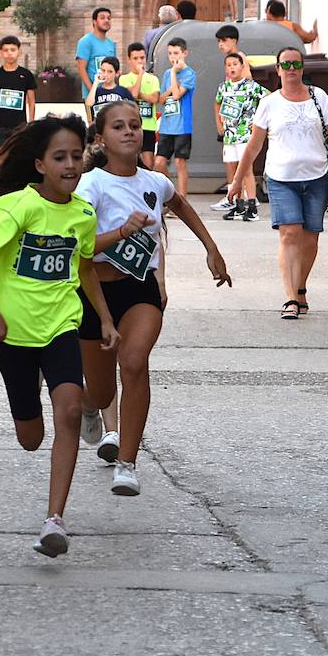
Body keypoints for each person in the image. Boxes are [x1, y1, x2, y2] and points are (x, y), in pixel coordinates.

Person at [0, 115, 119, 557]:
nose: (71, 164)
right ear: (39, 165)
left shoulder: (83, 213)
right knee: (30, 437)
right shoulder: (16, 207)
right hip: (10, 333)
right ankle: (67, 401)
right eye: (60, 157)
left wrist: (105, 319)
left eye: (76, 156)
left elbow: (85, 267)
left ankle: (55, 520)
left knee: (66, 413)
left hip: (60, 326)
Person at [77, 99, 231, 494]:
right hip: (95, 292)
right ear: (101, 138)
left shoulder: (155, 181)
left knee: (133, 362)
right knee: (100, 389)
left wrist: (210, 248)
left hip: (139, 289)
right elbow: (80, 247)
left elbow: (181, 204)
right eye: (118, 127)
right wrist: (121, 233)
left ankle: (126, 463)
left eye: (134, 125)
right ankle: (90, 406)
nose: (129, 131)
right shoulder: (90, 184)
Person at [228, 48, 328, 318]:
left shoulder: (319, 97)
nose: (291, 69)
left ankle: (300, 287)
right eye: (285, 65)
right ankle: (290, 297)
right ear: (277, 70)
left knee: (310, 238)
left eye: (295, 64)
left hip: (316, 177)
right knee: (290, 233)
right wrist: (236, 181)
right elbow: (254, 145)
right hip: (281, 179)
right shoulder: (269, 103)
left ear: (302, 68)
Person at [212, 52, 267, 220]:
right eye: (228, 65)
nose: (232, 68)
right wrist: (219, 124)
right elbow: (217, 102)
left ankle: (252, 205)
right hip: (230, 135)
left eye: (235, 64)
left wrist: (258, 120)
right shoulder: (224, 87)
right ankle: (239, 204)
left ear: (242, 66)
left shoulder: (251, 86)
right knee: (234, 170)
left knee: (246, 170)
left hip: (245, 135)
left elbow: (269, 97)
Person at [0, 35, 37, 182]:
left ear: (19, 51)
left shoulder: (26, 75)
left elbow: (31, 102)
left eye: (13, 50)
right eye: (6, 50)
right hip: (0, 125)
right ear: (1, 52)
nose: (9, 53)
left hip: (19, 126)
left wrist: (31, 125)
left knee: (19, 161)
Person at [154, 38, 198, 198]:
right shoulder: (167, 74)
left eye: (176, 53)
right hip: (167, 125)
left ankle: (182, 199)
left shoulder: (189, 74)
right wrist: (172, 83)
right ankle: (171, 194)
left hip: (182, 126)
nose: (173, 57)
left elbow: (178, 95)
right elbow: (162, 98)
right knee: (159, 162)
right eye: (170, 53)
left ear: (184, 53)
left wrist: (174, 73)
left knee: (180, 162)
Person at [119, 42, 161, 168]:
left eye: (142, 58)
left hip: (148, 126)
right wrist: (140, 76)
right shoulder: (123, 79)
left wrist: (139, 94)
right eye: (135, 58)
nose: (139, 61)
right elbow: (133, 94)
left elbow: (154, 98)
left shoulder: (153, 79)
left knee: (148, 162)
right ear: (129, 60)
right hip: (131, 127)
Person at [76, 7, 117, 97]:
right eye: (102, 18)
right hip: (92, 94)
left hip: (109, 95)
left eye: (109, 18)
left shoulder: (111, 44)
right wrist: (92, 91)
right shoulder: (85, 42)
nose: (106, 20)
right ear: (94, 21)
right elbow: (81, 69)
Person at [83, 56, 134, 126]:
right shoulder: (96, 92)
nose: (106, 74)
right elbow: (88, 104)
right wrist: (96, 83)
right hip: (100, 130)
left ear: (117, 73)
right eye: (103, 71)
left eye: (110, 72)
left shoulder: (123, 92)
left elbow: (133, 111)